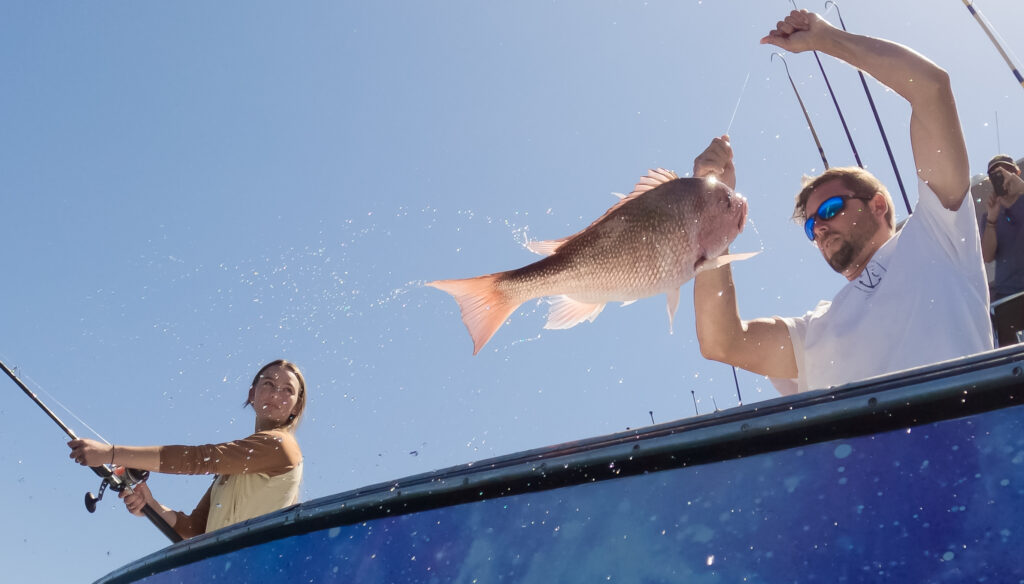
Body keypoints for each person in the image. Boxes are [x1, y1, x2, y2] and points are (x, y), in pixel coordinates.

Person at [693, 10, 993, 395]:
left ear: (878, 205)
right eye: (810, 225)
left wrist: (826, 39)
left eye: (830, 209)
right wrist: (713, 209)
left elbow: (931, 88)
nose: (818, 227)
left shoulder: (939, 234)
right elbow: (723, 343)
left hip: (967, 444)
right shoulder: (813, 330)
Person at [67, 360, 306, 539]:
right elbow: (194, 530)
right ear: (252, 394)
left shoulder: (281, 446)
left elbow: (199, 459)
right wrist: (151, 506)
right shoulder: (236, 468)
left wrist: (110, 453)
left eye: (288, 390)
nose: (276, 393)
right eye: (269, 384)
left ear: (297, 405)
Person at [981, 154, 1024, 302]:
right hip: (1008, 295)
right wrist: (991, 220)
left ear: (1017, 173)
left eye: (1007, 170)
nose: (1003, 176)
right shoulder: (989, 215)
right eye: (995, 175)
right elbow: (987, 256)